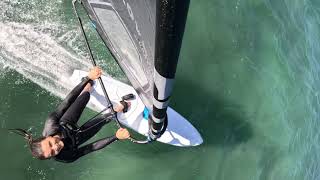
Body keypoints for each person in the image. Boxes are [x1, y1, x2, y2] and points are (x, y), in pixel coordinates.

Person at [11, 67, 130, 163]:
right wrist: (116, 137)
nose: (55, 147)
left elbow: (67, 101)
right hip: (77, 138)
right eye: (52, 153)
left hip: (66, 122)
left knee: (85, 96)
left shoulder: (51, 124)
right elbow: (91, 147)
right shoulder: (66, 156)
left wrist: (88, 78)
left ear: (46, 137)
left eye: (50, 144)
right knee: (106, 118)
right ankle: (121, 107)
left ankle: (88, 85)